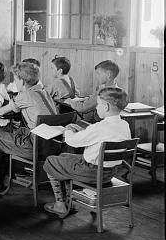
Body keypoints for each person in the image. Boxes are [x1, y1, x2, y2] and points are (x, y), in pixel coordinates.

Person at [43, 87, 131, 218]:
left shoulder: (99, 127)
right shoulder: (124, 125)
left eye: (98, 104)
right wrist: (86, 130)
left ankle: (60, 205)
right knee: (63, 157)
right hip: (111, 172)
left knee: (51, 160)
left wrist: (68, 129)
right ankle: (69, 202)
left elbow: (72, 141)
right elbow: (100, 134)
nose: (96, 108)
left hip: (90, 172)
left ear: (106, 106)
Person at [0, 62, 58, 190]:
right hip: (53, 145)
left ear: (22, 81)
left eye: (15, 79)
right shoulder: (44, 92)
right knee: (15, 133)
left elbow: (1, 112)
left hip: (35, 146)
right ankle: (9, 174)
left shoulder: (25, 95)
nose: (14, 83)